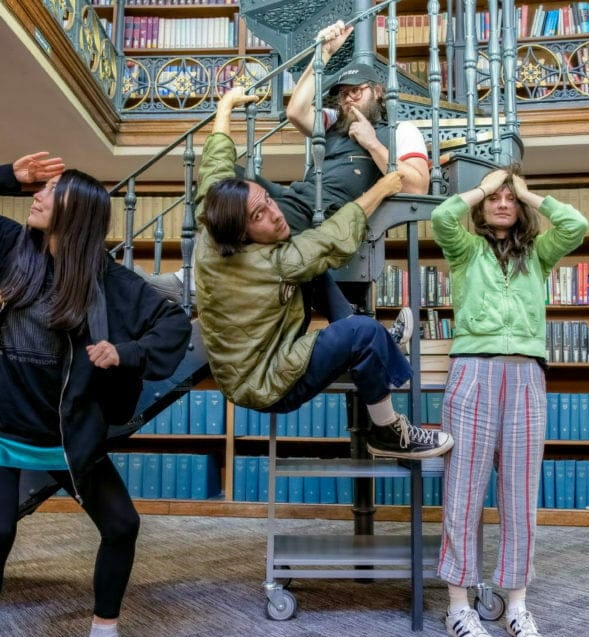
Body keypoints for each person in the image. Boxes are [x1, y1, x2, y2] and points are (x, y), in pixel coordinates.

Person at [0, 154, 191, 637]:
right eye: (39, 190)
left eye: (52, 192)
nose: (38, 196)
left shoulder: (109, 283)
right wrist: (8, 175)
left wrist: (124, 353)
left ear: (78, 215)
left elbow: (172, 325)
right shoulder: (8, 249)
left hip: (66, 433)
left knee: (122, 525)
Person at [192, 86, 453, 460]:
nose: (275, 213)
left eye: (268, 201)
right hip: (268, 383)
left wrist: (225, 105)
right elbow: (332, 238)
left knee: (320, 283)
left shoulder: (211, 213)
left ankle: (378, 342)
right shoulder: (277, 261)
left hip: (246, 365)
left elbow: (215, 161)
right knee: (361, 332)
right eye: (259, 216)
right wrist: (384, 185)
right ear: (240, 233)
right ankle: (387, 432)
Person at [146, 19, 429, 334]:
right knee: (229, 183)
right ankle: (196, 275)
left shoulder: (400, 131)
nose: (348, 99)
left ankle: (195, 279)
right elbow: (296, 111)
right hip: (296, 199)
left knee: (295, 254)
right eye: (343, 94)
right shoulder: (334, 122)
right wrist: (322, 54)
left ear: (377, 91)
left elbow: (418, 185)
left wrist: (372, 143)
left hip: (327, 214)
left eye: (357, 92)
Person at [430, 168, 588, 637]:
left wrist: (526, 193)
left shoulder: (538, 256)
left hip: (526, 376)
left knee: (521, 494)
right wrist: (482, 188)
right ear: (481, 207)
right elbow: (441, 215)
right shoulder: (466, 249)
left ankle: (515, 603)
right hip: (473, 373)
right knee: (463, 491)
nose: (502, 203)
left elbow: (575, 225)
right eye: (494, 198)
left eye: (508, 199)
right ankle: (459, 604)